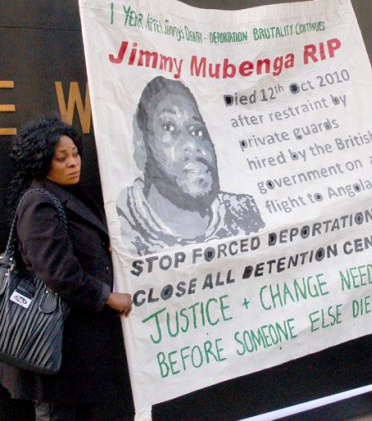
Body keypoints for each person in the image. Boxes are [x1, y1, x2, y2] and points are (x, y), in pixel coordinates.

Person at [0, 118, 133, 421]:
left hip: (76, 346)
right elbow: (58, 272)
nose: (73, 163)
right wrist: (107, 297)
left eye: (75, 154)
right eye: (62, 158)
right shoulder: (39, 203)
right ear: (41, 161)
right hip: (54, 343)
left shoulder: (67, 195)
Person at [116, 76, 265, 256]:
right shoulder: (121, 224)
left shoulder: (243, 213)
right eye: (169, 127)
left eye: (197, 131)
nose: (193, 145)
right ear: (142, 143)